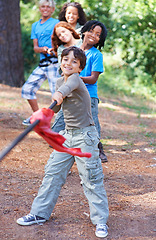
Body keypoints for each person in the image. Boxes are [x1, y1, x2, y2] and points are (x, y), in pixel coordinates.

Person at [16, 46, 109, 239]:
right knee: (53, 173)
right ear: (60, 61)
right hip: (67, 137)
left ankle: (100, 221)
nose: (68, 63)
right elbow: (58, 108)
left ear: (80, 67)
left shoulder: (75, 79)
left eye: (74, 61)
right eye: (66, 59)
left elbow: (65, 90)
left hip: (85, 136)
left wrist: (58, 94)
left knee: (91, 178)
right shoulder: (60, 80)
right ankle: (39, 213)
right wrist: (43, 115)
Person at [52, 20, 108, 162]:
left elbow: (93, 78)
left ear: (100, 39)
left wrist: (76, 79)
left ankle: (96, 148)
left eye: (98, 34)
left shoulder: (96, 55)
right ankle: (63, 151)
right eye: (91, 31)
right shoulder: (73, 50)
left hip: (88, 95)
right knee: (60, 121)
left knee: (91, 122)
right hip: (69, 93)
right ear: (84, 31)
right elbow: (63, 69)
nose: (93, 35)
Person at [21, 0, 60, 126]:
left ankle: (59, 123)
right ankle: (38, 117)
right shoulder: (35, 26)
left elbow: (61, 42)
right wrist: (44, 49)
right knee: (27, 89)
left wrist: (54, 50)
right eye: (43, 6)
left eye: (48, 7)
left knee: (57, 95)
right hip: (43, 64)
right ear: (39, 8)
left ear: (53, 9)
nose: (45, 9)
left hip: (54, 63)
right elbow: (35, 48)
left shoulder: (57, 23)